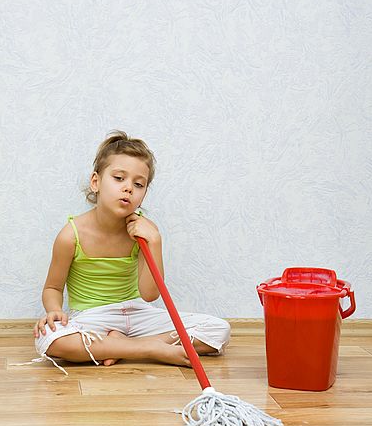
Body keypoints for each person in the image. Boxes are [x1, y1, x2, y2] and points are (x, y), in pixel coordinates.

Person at [33, 130, 231, 374]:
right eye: (119, 178)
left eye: (138, 184)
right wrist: (54, 311)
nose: (128, 188)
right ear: (96, 182)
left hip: (137, 313)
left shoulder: (144, 231)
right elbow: (52, 287)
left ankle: (118, 347)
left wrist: (155, 240)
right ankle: (150, 349)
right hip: (93, 316)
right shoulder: (70, 234)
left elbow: (149, 294)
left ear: (144, 193)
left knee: (218, 330)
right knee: (51, 340)